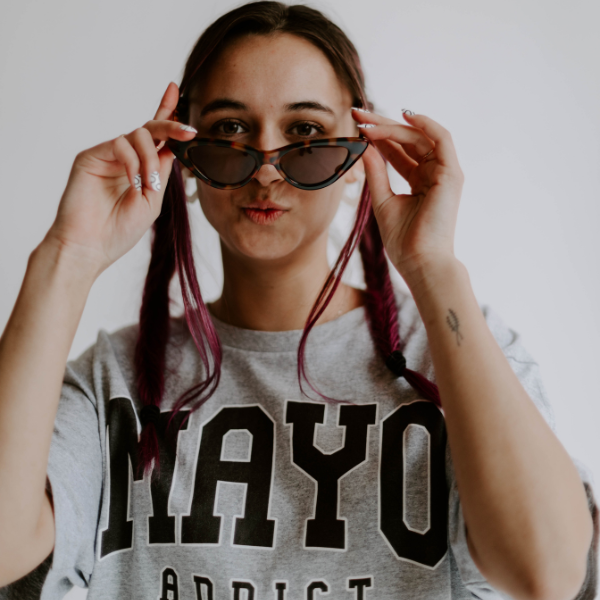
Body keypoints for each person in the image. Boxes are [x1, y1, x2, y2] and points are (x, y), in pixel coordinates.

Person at [0, 2, 597, 599]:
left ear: (360, 155)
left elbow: (547, 574)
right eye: (230, 128)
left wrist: (432, 267)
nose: (266, 168)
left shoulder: (455, 358)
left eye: (305, 133)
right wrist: (66, 256)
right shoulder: (114, 382)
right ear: (183, 153)